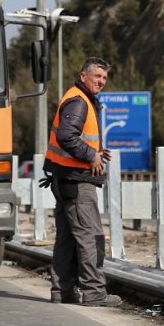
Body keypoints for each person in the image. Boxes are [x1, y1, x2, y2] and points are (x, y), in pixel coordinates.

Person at [43, 57, 122, 307]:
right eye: (97, 76)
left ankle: (62, 291)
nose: (101, 82)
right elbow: (68, 136)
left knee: (66, 239)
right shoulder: (79, 101)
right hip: (76, 181)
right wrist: (91, 155)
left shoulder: (78, 98)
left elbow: (74, 137)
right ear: (83, 75)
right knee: (91, 236)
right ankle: (94, 293)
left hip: (65, 178)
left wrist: (96, 150)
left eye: (104, 78)